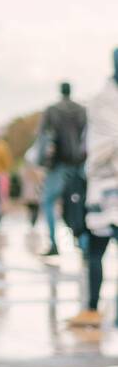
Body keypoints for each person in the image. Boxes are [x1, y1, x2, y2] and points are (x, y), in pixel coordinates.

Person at [69, 49, 118, 328]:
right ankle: (92, 307)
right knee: (96, 250)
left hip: (102, 183)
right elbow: (99, 145)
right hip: (104, 187)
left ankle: (92, 308)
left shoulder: (101, 100)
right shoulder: (101, 102)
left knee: (96, 251)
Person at [38, 81, 89, 257]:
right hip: (78, 163)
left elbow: (43, 136)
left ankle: (54, 243)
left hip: (58, 163)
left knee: (48, 202)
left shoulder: (52, 110)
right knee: (79, 202)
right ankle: (83, 243)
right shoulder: (81, 111)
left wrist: (43, 160)